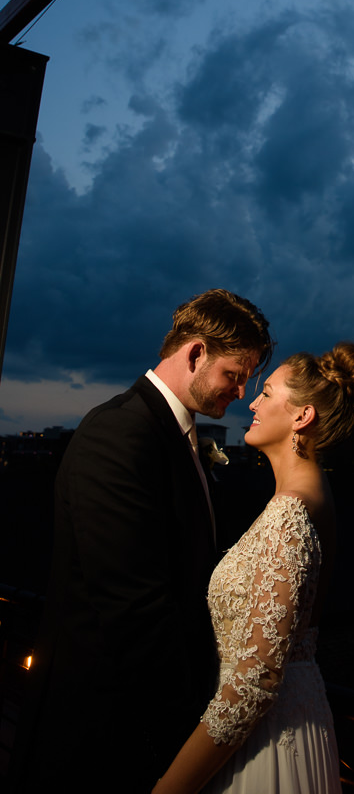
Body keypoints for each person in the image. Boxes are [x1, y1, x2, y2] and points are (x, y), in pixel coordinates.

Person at [13, 289, 274, 794]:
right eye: (234, 376)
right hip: (102, 729)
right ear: (196, 353)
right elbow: (133, 609)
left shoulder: (175, 436)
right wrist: (193, 734)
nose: (241, 393)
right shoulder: (119, 433)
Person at [152, 341, 354, 794]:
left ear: (302, 416)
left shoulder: (290, 516)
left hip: (264, 741)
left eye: (268, 392)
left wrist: (169, 787)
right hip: (294, 717)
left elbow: (253, 685)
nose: (251, 401)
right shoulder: (312, 498)